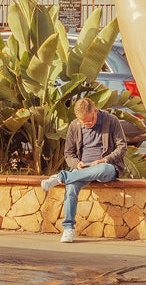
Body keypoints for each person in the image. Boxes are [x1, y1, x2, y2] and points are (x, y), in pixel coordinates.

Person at [41, 97, 127, 241]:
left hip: (106, 167)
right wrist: (76, 164)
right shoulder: (75, 126)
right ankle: (68, 228)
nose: (86, 125)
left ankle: (61, 177)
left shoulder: (111, 121)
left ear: (95, 111)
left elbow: (122, 147)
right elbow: (69, 154)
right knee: (71, 188)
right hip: (83, 169)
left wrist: (104, 160)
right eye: (83, 122)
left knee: (102, 168)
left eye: (89, 121)